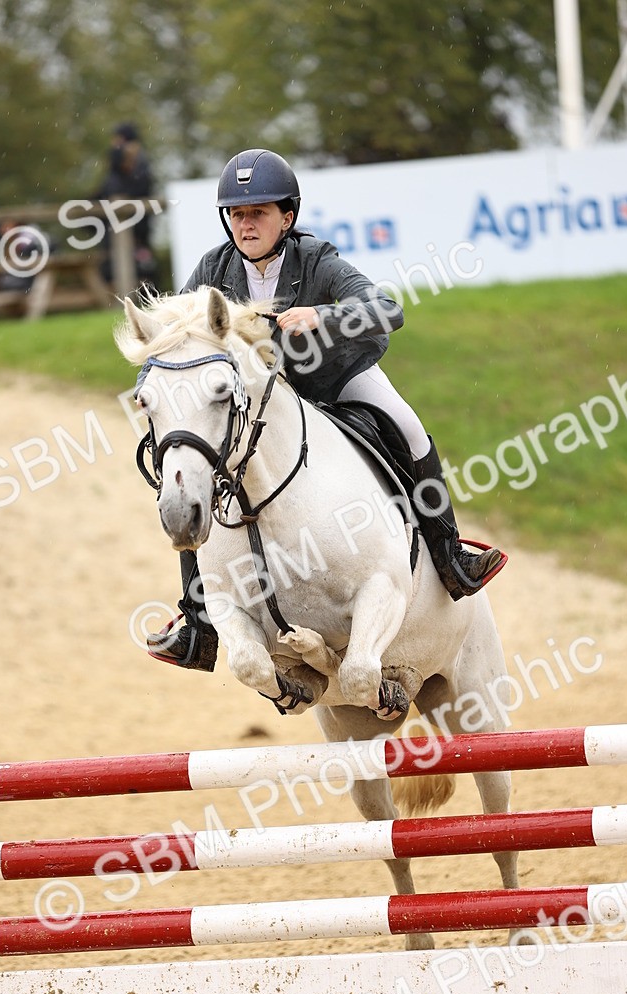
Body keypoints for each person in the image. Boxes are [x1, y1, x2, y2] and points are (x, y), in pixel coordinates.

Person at [148, 148, 504, 671]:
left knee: (409, 428)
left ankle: (450, 555)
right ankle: (198, 624)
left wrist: (323, 317)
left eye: (258, 213)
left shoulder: (317, 260)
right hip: (265, 404)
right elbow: (172, 341)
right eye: (237, 214)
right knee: (188, 477)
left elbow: (388, 309)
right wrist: (151, 385)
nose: (245, 225)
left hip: (336, 379)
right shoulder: (212, 270)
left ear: (286, 217)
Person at [96, 122, 157, 288]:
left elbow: (137, 188)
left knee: (139, 268)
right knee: (131, 267)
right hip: (128, 224)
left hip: (133, 226)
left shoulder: (137, 162)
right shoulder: (137, 162)